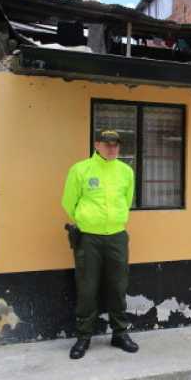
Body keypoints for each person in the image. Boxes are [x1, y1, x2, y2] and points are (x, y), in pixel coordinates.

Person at [62, 130, 139, 359]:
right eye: (107, 144)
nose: (112, 149)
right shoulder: (80, 169)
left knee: (118, 286)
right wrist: (86, 220)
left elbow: (127, 199)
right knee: (87, 287)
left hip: (116, 236)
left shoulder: (126, 172)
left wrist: (114, 219)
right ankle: (83, 337)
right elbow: (69, 202)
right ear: (97, 144)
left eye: (116, 145)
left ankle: (120, 333)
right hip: (89, 238)